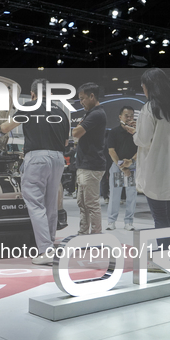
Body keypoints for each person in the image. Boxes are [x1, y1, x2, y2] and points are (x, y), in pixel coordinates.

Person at [0, 79, 70, 265]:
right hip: (58, 159)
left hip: (38, 158)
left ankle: (45, 250)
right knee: (50, 205)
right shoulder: (61, 112)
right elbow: (66, 143)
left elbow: (6, 128)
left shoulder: (29, 106)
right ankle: (50, 247)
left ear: (32, 94)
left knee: (35, 203)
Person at [133, 68, 170, 251]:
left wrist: (134, 132)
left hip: (156, 168)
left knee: (159, 216)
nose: (143, 90)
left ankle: (162, 255)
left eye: (143, 86)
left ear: (149, 86)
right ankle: (165, 252)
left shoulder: (151, 108)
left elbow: (143, 139)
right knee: (166, 214)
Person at [72, 83, 107, 235]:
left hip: (91, 166)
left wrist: (77, 128)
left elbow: (76, 133)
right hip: (85, 165)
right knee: (82, 202)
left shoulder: (97, 114)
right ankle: (83, 232)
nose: (81, 102)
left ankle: (96, 235)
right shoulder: (91, 113)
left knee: (91, 204)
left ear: (92, 96)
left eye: (82, 99)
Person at [106, 106, 138, 231]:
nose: (129, 118)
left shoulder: (137, 132)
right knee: (115, 195)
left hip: (133, 167)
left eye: (131, 115)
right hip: (118, 167)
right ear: (120, 117)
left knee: (131, 195)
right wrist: (122, 167)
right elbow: (111, 151)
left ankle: (129, 222)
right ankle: (111, 221)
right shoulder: (114, 132)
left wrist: (131, 162)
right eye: (127, 115)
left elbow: (141, 148)